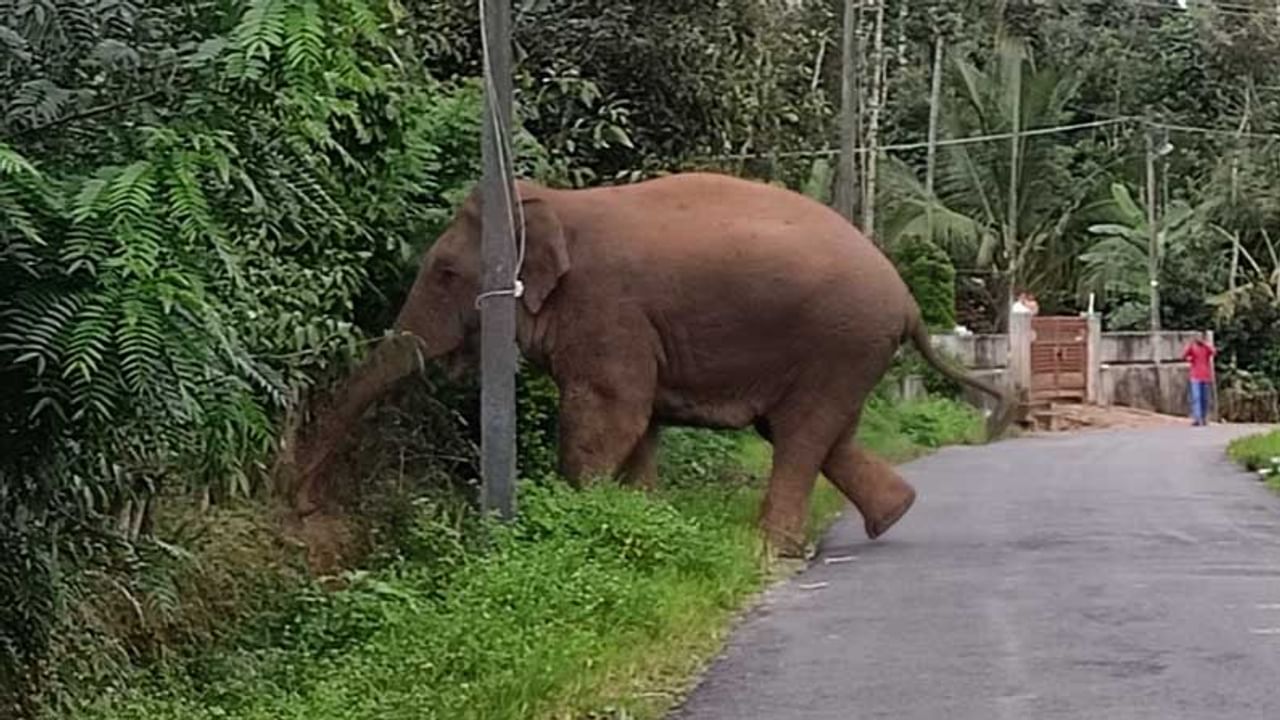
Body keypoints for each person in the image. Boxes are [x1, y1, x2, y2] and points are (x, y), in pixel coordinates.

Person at [1182, 330, 1216, 426]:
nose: (1198, 339)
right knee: (1196, 397)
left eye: (1200, 337)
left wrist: (1205, 344)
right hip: (1195, 376)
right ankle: (1197, 418)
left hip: (1205, 376)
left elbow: (1213, 352)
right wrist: (1190, 358)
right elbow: (1184, 356)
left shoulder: (1206, 348)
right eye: (1197, 337)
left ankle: (1204, 417)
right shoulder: (1192, 347)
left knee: (1204, 398)